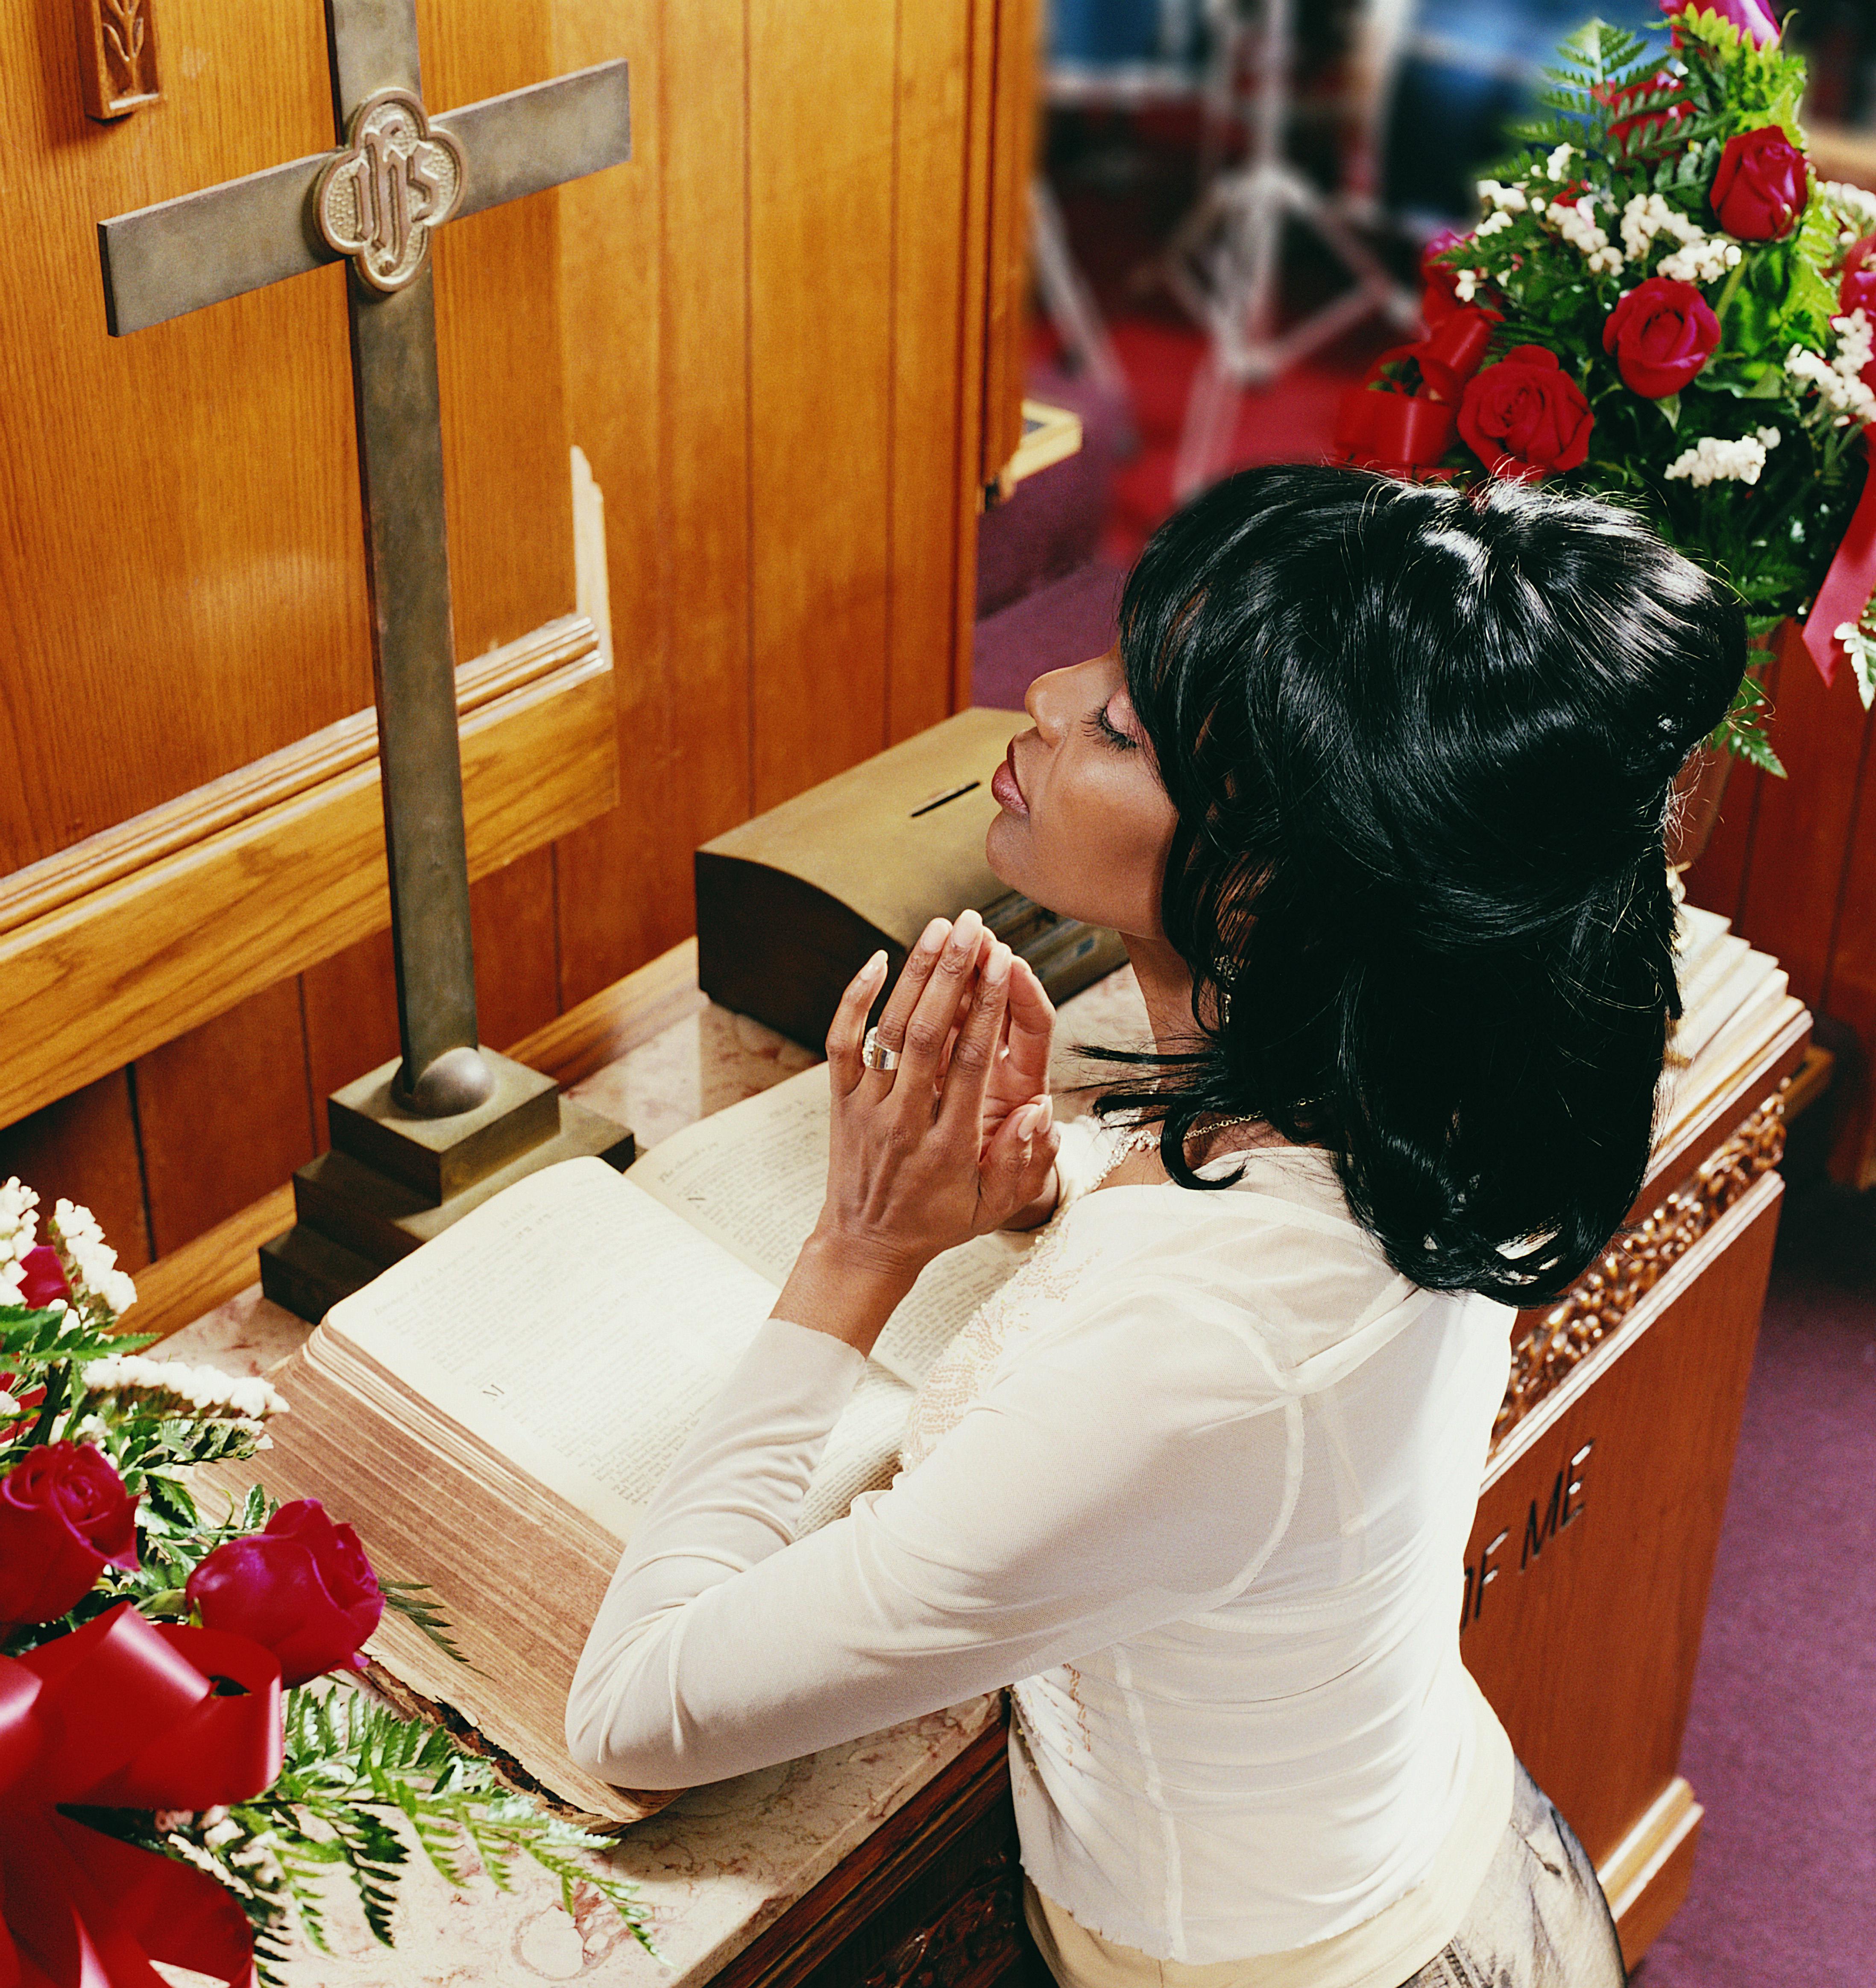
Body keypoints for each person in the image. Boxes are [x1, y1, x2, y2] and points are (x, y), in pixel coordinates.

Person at [566, 465, 1744, 1987]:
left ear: (1272, 889)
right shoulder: (1423, 1070)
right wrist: (1047, 1179)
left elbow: (636, 1711)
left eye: (1122, 725)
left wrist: (857, 1247)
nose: (1045, 691)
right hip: (1422, 1816)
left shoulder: (1201, 1353)